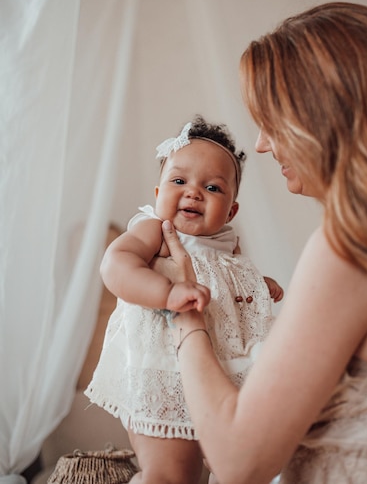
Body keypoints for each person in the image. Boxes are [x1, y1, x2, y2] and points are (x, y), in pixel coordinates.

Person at [154, 3, 367, 484]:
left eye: (273, 121)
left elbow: (238, 461)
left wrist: (183, 313)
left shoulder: (353, 244)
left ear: (327, 115)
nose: (261, 144)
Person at [85, 116, 283, 484]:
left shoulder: (227, 243)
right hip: (163, 373)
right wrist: (168, 292)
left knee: (226, 473)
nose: (193, 193)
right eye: (179, 181)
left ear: (231, 211)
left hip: (220, 379)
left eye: (212, 187)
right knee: (170, 475)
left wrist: (258, 285)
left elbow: (226, 285)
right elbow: (116, 265)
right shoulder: (156, 230)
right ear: (158, 194)